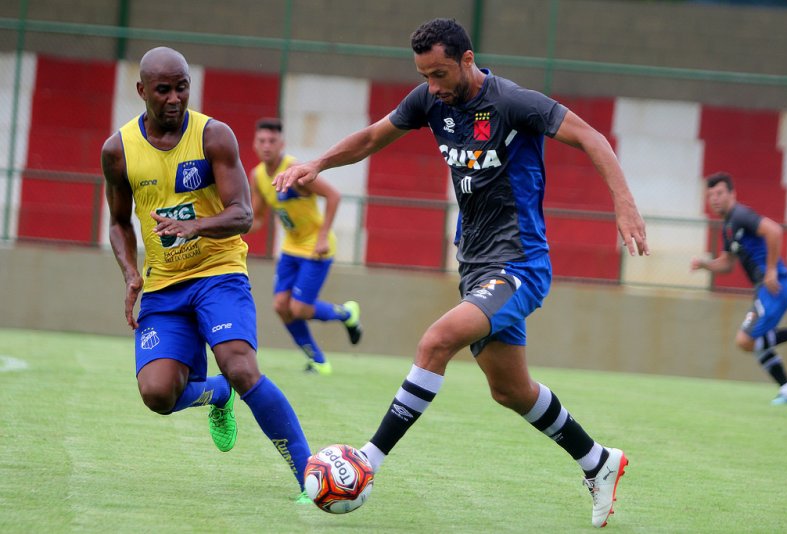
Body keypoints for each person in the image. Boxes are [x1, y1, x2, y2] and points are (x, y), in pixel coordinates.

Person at [275, 18, 649, 528]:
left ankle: (368, 460)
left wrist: (624, 205)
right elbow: (371, 137)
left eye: (440, 73)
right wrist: (317, 164)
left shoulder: (514, 103)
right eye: (424, 75)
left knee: (436, 340)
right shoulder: (432, 100)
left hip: (519, 263)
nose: (432, 86)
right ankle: (598, 461)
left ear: (467, 60)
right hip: (475, 263)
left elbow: (592, 138)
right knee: (510, 390)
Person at [101, 46, 313, 502]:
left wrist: (193, 225)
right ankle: (216, 395)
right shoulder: (118, 151)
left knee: (239, 363)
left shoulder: (214, 136)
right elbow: (119, 221)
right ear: (142, 91)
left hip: (218, 271)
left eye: (182, 87)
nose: (175, 98)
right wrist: (130, 273)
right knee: (157, 394)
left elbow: (242, 213)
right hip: (163, 285)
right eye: (163, 90)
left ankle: (309, 477)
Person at [249, 117, 362, 376]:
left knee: (299, 308)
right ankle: (318, 360)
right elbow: (257, 218)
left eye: (272, 141)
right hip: (290, 248)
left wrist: (323, 236)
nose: (267, 146)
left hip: (315, 249)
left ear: (282, 144)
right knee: (281, 306)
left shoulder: (296, 171)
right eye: (262, 141)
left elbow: (334, 196)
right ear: (255, 144)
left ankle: (346, 314)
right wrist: (226, 226)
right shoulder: (256, 176)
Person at [691, 172, 787, 405]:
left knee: (745, 341)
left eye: (719, 193)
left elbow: (774, 231)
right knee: (754, 342)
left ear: (732, 194)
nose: (715, 199)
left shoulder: (740, 215)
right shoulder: (728, 227)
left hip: (774, 286)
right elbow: (727, 263)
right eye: (711, 195)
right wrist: (704, 265)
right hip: (768, 289)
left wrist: (771, 269)